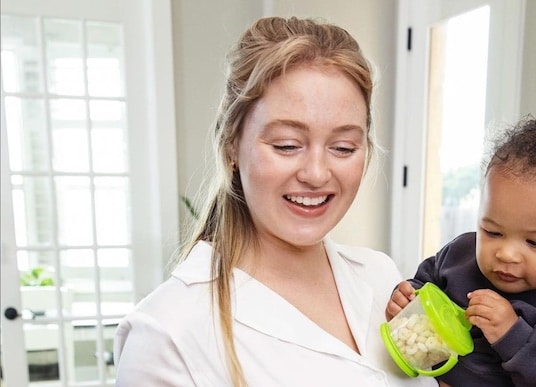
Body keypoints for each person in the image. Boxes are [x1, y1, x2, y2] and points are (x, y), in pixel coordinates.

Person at [113, 16, 432, 387]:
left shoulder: (381, 278)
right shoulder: (168, 333)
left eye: (343, 147)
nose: (316, 173)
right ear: (232, 145)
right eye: (286, 145)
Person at [385, 116, 536, 386]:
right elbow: (424, 286)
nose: (506, 254)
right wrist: (408, 300)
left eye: (534, 243)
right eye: (493, 232)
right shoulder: (459, 256)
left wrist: (513, 334)